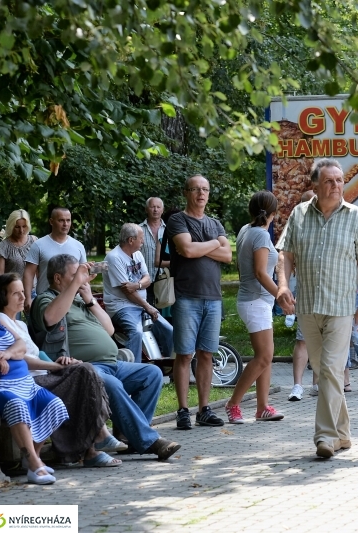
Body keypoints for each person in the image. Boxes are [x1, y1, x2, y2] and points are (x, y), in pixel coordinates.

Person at [30, 254, 181, 460]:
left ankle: (128, 436)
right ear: (58, 278)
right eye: (75, 274)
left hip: (112, 363)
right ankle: (149, 441)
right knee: (112, 384)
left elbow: (109, 330)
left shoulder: (80, 300)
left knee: (152, 374)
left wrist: (90, 300)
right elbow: (49, 318)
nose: (81, 278)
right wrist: (76, 285)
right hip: (85, 369)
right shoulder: (45, 299)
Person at [276, 158, 358, 459]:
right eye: (329, 181)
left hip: (342, 306)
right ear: (316, 185)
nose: (336, 186)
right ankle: (344, 434)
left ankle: (325, 437)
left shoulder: (355, 216)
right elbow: (286, 255)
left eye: (339, 181)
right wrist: (283, 285)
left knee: (331, 369)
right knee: (323, 370)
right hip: (307, 304)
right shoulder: (299, 214)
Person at [0, 273, 124, 467]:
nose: (23, 297)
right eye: (15, 294)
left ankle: (94, 446)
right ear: (3, 297)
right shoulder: (1, 321)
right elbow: (21, 360)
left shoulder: (20, 324)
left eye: (22, 292)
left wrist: (60, 361)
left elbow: (36, 354)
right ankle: (96, 441)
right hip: (27, 382)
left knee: (82, 371)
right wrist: (56, 367)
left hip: (42, 376)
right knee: (83, 372)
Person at [0, 278, 69, 484]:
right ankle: (35, 465)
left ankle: (33, 459)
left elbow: (20, 343)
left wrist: (7, 353)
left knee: (55, 405)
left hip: (25, 382)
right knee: (17, 406)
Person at [166, 175, 232, 429]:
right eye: (196, 189)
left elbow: (227, 256)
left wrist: (204, 245)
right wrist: (215, 244)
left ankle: (204, 409)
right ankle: (183, 410)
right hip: (186, 298)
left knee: (206, 354)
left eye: (205, 189)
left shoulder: (214, 223)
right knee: (184, 355)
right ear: (186, 193)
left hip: (213, 298)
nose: (201, 194)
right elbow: (187, 250)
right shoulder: (177, 220)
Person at [225, 191, 286, 424]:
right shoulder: (260, 235)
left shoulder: (245, 230)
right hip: (255, 301)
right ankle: (233, 404)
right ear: (273, 213)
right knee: (264, 357)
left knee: (266, 357)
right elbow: (261, 272)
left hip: (254, 300)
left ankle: (263, 408)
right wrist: (280, 294)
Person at [102, 224, 174, 363]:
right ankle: (135, 370)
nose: (143, 242)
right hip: (122, 307)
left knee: (169, 330)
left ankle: (168, 366)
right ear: (130, 240)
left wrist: (137, 285)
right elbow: (127, 293)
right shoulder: (114, 258)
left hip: (141, 305)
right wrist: (147, 306)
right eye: (141, 239)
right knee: (136, 333)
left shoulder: (137, 254)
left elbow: (148, 279)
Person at [23, 207, 86, 314]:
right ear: (51, 222)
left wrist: (86, 296)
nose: (65, 224)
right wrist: (27, 297)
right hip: (46, 300)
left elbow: (83, 273)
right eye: (61, 220)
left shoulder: (78, 246)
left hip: (73, 300)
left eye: (68, 220)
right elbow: (29, 273)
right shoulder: (39, 245)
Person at [286, 190, 315, 402]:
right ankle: (297, 385)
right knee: (303, 340)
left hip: (329, 293)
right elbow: (285, 258)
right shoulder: (295, 226)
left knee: (325, 341)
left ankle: (318, 383)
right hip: (305, 292)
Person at [139, 197, 169, 304]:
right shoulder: (138, 230)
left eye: (158, 207)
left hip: (165, 280)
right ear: (146, 209)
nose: (155, 210)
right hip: (143, 280)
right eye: (152, 207)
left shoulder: (170, 230)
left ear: (162, 210)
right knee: (146, 314)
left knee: (164, 315)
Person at [0, 210, 38, 280]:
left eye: (24, 226)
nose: (21, 230)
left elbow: (40, 268)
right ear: (11, 226)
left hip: (34, 289)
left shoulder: (34, 241)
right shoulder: (3, 246)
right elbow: (0, 273)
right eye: (17, 227)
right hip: (13, 289)